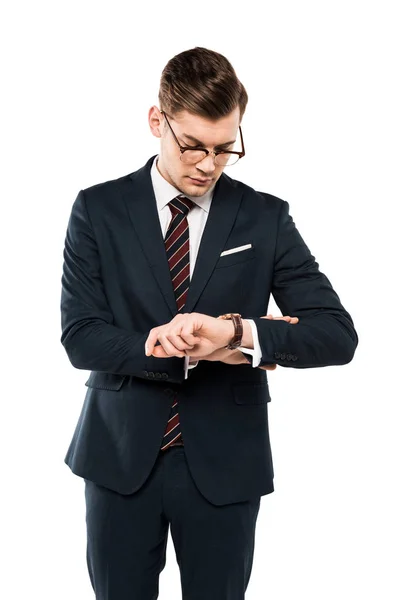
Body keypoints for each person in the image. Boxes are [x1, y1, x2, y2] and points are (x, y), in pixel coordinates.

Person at [60, 46, 358, 600]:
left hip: (226, 461)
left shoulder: (264, 216)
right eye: (192, 145)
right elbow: (80, 335)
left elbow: (336, 335)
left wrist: (241, 334)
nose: (207, 164)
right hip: (119, 456)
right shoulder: (97, 209)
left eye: (226, 149)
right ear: (157, 121)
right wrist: (161, 344)